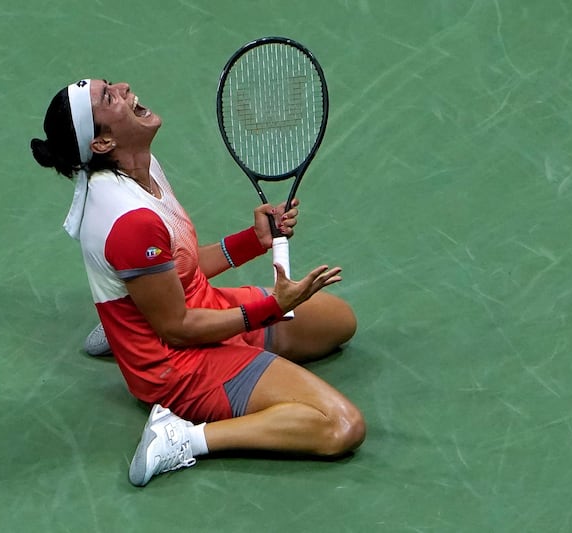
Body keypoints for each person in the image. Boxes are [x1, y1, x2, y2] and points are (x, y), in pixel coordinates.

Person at [30, 79, 365, 487]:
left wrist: (253, 240)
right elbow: (177, 328)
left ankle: (128, 319)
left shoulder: (142, 166)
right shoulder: (130, 221)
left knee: (338, 322)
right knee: (341, 426)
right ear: (101, 142)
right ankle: (182, 438)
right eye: (108, 97)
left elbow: (182, 268)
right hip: (176, 364)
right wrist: (270, 308)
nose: (124, 86)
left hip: (197, 306)